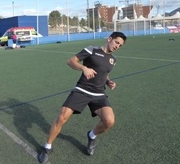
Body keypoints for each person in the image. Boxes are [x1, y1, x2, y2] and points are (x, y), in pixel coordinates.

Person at [38, 31, 127, 163]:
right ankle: (47, 147)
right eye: (116, 42)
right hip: (82, 90)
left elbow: (104, 72)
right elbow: (71, 61)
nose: (117, 46)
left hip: (98, 94)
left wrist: (108, 82)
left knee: (109, 121)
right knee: (62, 117)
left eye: (120, 45)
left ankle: (91, 136)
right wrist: (84, 68)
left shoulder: (113, 60)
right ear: (109, 39)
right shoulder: (92, 50)